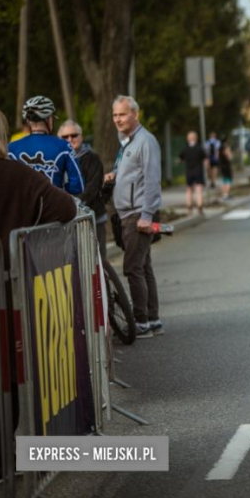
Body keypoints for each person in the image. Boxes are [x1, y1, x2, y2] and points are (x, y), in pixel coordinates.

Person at [0, 109, 77, 459]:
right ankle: (5, 456)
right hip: (6, 294)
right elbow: (67, 208)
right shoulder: (18, 176)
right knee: (6, 377)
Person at [104, 95, 163, 338]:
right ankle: (153, 319)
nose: (118, 119)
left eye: (123, 114)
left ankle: (141, 321)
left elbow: (152, 180)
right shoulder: (127, 141)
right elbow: (133, 173)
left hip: (138, 214)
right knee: (143, 266)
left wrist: (147, 215)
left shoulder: (145, 141)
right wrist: (115, 175)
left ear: (135, 115)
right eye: (115, 115)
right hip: (129, 212)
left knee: (132, 268)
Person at [8, 96, 84, 195]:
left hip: (21, 208)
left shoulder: (11, 148)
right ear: (48, 119)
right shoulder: (64, 147)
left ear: (28, 121)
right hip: (53, 206)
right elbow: (78, 186)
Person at [58, 120, 108, 260]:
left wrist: (74, 206)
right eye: (65, 137)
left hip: (93, 218)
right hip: (68, 222)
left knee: (98, 262)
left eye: (74, 135)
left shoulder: (92, 158)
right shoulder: (58, 160)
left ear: (81, 136)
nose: (70, 139)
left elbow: (92, 188)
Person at [179, 130, 208, 214]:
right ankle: (199, 206)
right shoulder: (200, 148)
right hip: (198, 171)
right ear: (196, 138)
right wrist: (207, 169)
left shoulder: (185, 148)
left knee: (189, 190)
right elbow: (206, 160)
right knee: (198, 189)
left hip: (189, 171)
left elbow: (180, 158)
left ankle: (189, 207)